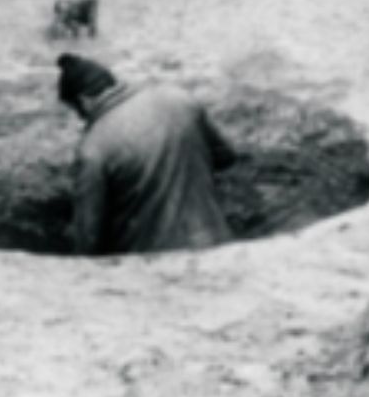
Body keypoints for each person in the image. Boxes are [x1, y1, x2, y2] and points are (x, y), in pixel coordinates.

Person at [56, 53, 236, 255]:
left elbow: (89, 239)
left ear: (84, 100)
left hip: (154, 264)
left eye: (76, 110)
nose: (81, 118)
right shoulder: (179, 98)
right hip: (219, 245)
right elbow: (225, 158)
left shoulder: (93, 149)